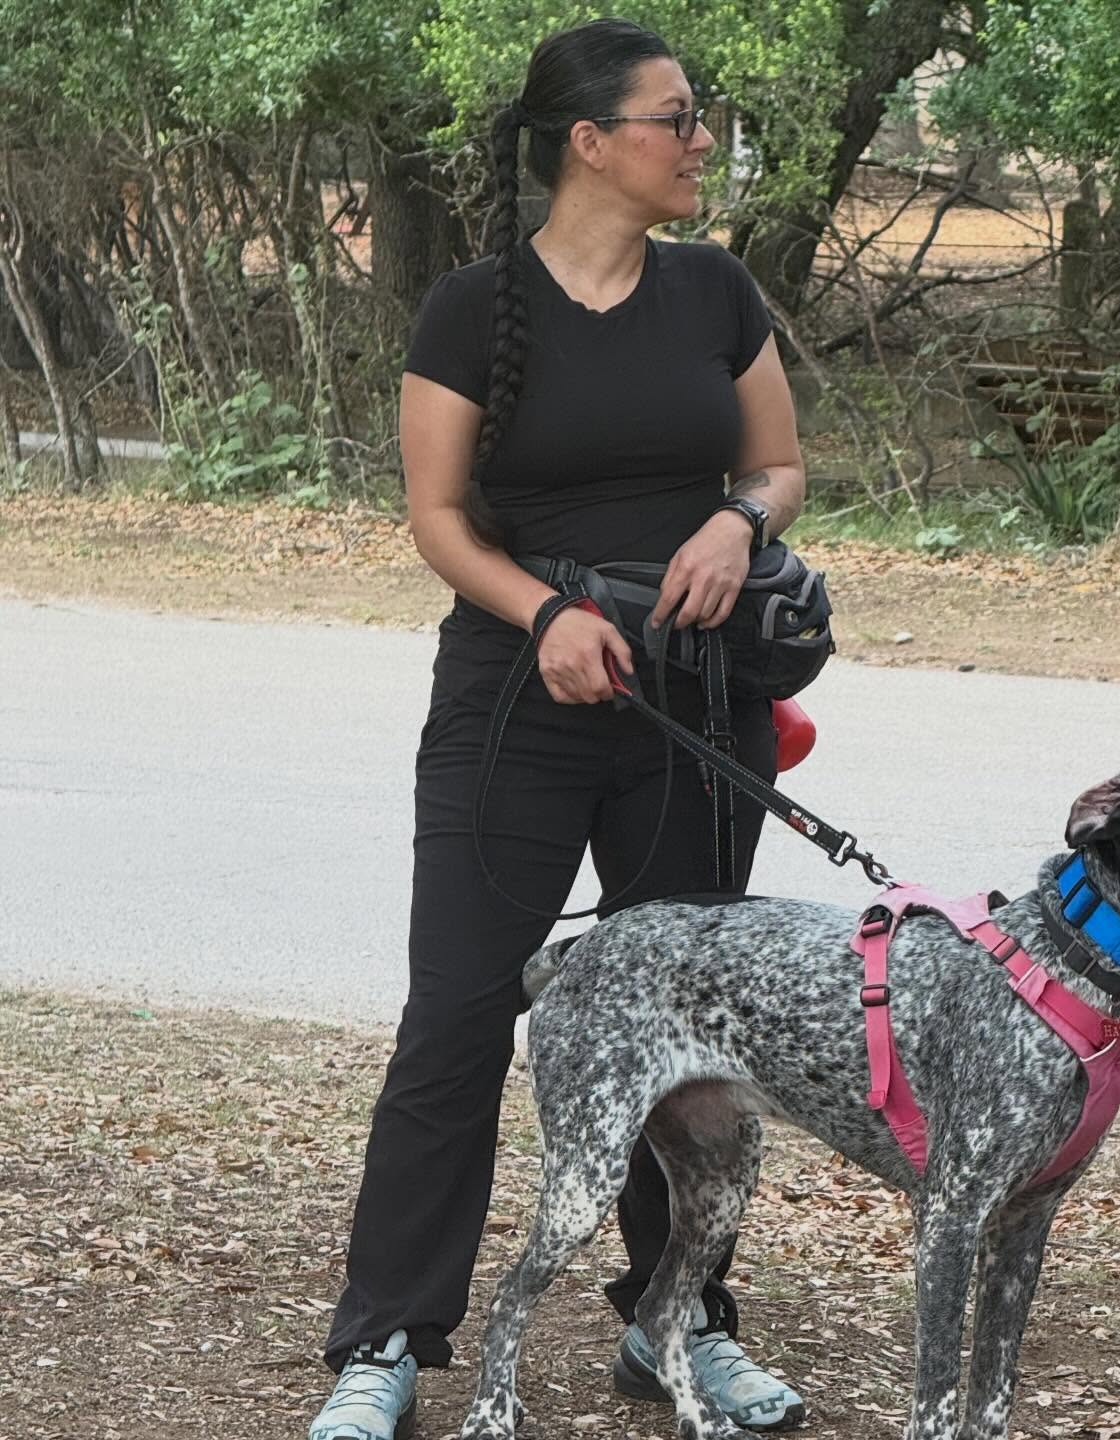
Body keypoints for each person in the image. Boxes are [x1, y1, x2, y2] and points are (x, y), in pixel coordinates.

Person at [308, 18, 809, 1440]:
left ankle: (678, 1325)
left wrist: (737, 520)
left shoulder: (715, 289)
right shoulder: (472, 308)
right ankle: (388, 1342)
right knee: (461, 1015)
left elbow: (779, 462)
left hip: (694, 709)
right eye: (677, 117)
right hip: (511, 709)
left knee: (683, 1032)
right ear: (591, 142)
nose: (701, 139)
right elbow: (436, 517)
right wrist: (545, 615)